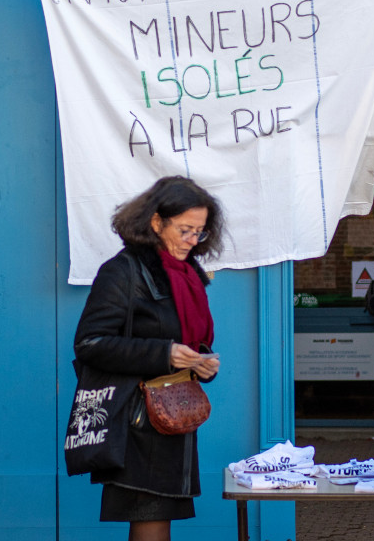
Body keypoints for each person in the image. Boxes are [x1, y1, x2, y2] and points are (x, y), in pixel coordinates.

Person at [73, 176, 224, 541]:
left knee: (159, 519)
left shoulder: (188, 274)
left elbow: (186, 338)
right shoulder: (123, 271)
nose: (193, 241)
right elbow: (90, 343)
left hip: (174, 416)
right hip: (137, 420)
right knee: (151, 519)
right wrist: (165, 354)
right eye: (185, 230)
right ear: (156, 223)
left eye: (200, 232)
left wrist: (200, 362)